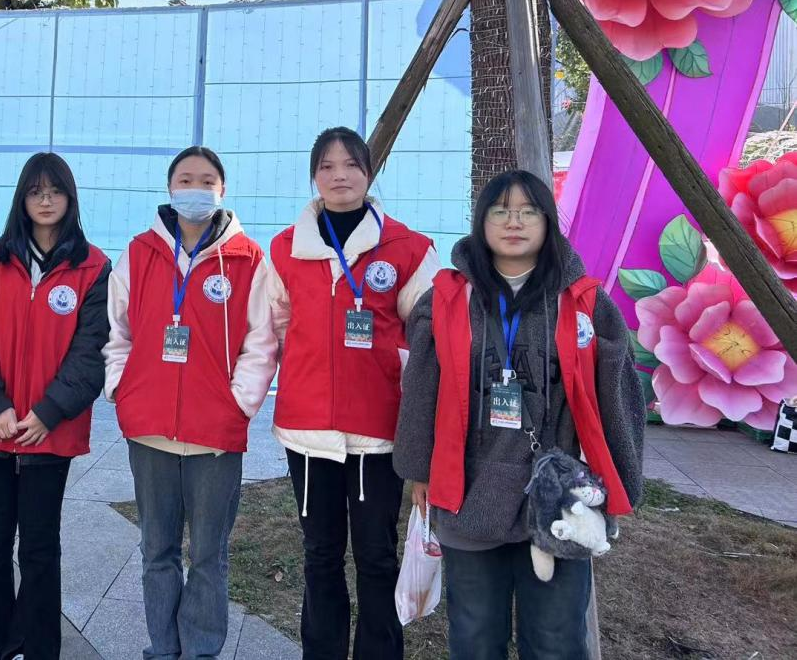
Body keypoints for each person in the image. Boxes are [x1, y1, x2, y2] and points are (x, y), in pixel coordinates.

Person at [393, 170, 646, 660]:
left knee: (556, 641)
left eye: (529, 211)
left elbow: (619, 397)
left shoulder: (583, 302)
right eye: (501, 211)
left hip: (558, 497)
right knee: (474, 638)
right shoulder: (448, 298)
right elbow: (421, 387)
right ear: (481, 221)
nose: (514, 222)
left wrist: (619, 483)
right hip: (468, 490)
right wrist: (418, 469)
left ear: (547, 222)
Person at [267, 126, 441, 660]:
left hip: (378, 432)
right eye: (326, 166)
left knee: (376, 558)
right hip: (307, 431)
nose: (339, 175)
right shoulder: (285, 249)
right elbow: (277, 325)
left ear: (369, 172)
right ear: (313, 177)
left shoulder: (408, 249)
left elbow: (430, 340)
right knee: (319, 555)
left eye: (351, 165)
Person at [103, 145, 278, 660]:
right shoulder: (139, 253)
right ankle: (163, 649)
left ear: (222, 190)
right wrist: (122, 389)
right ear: (169, 188)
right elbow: (117, 330)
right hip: (149, 428)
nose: (195, 188)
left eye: (206, 180)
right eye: (185, 179)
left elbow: (261, 341)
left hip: (214, 434)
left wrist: (238, 404)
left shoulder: (248, 259)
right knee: (156, 551)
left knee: (207, 555)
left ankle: (201, 651)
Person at [0, 153, 111, 660]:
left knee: (40, 545)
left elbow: (91, 351)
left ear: (70, 198)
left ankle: (36, 646)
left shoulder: (93, 267)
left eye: (55, 190)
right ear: (22, 198)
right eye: (36, 191)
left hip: (50, 430)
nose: (46, 200)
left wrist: (48, 412)